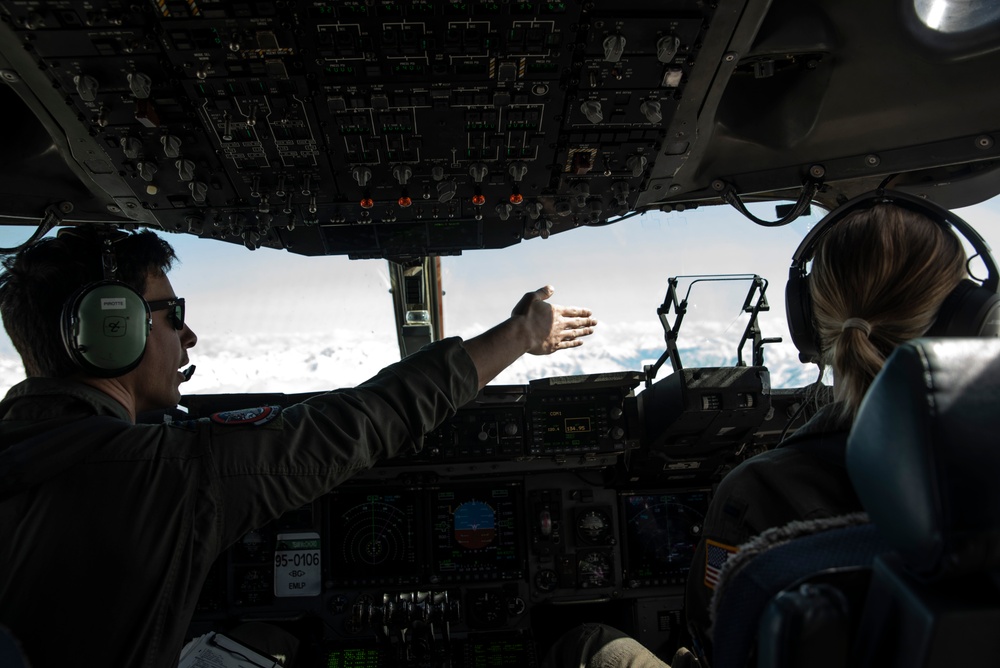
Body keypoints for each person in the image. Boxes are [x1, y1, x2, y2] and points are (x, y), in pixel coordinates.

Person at [0, 225, 597, 668]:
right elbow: (363, 421)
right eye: (171, 313)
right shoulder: (160, 474)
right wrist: (521, 334)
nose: (188, 334)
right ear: (114, 326)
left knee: (263, 643)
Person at [683, 194, 993, 663]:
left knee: (589, 644)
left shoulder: (756, 491)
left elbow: (713, 642)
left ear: (808, 325)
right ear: (969, 314)